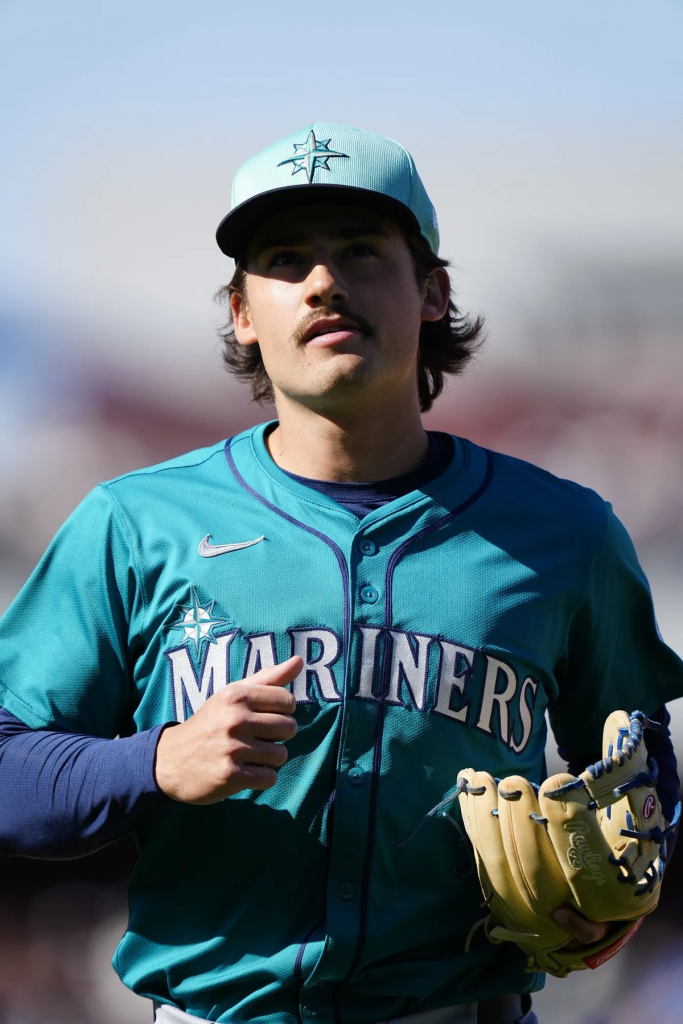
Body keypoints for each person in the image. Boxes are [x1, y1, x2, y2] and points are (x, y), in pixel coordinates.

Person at [0, 122, 681, 1024]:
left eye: (360, 250)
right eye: (284, 260)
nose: (323, 282)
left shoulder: (564, 533)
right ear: (242, 313)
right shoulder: (135, 524)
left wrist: (616, 880)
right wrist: (155, 760)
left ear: (432, 291)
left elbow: (634, 760)